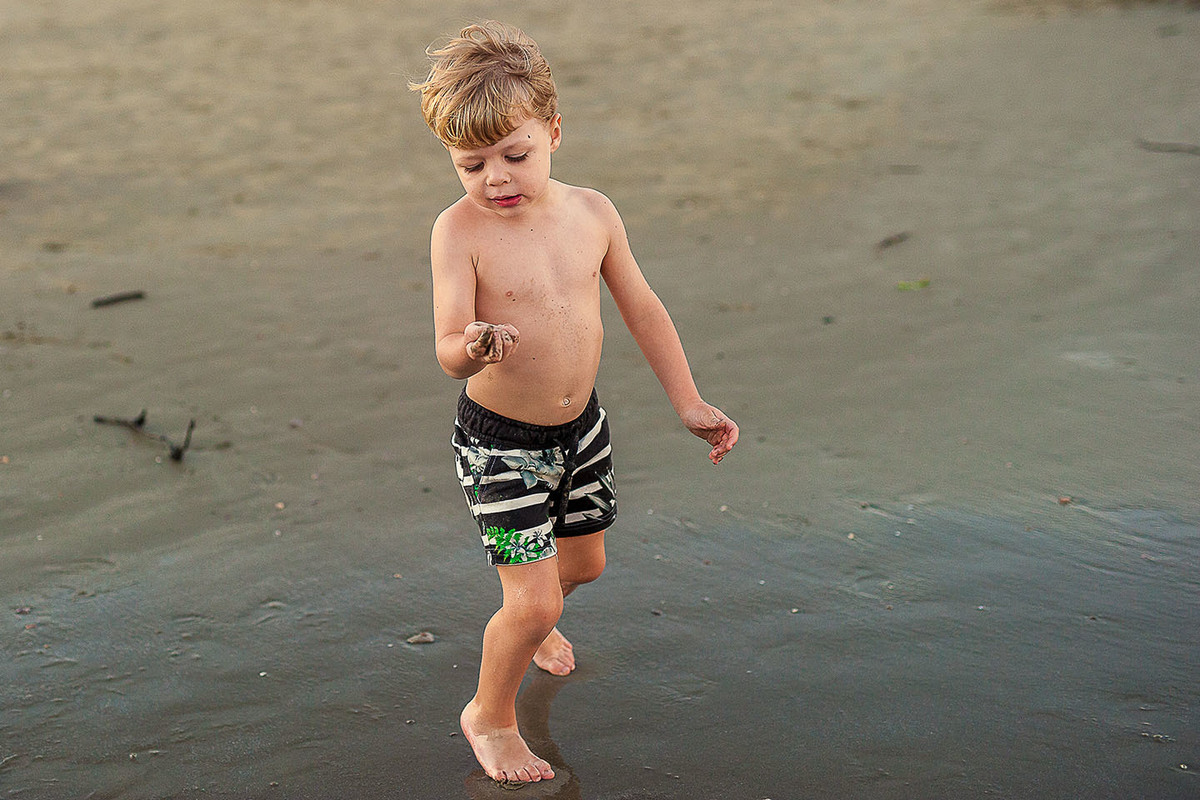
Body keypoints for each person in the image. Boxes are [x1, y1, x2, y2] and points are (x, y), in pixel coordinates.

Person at [410, 20, 739, 786]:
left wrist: (687, 402)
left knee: (583, 566)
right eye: (472, 165)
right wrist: (476, 343)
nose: (496, 178)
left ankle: (535, 622)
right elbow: (446, 347)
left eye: (515, 155)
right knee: (531, 604)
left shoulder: (593, 213)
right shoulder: (457, 232)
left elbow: (644, 308)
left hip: (581, 431)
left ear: (554, 131)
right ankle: (489, 715)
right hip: (499, 446)